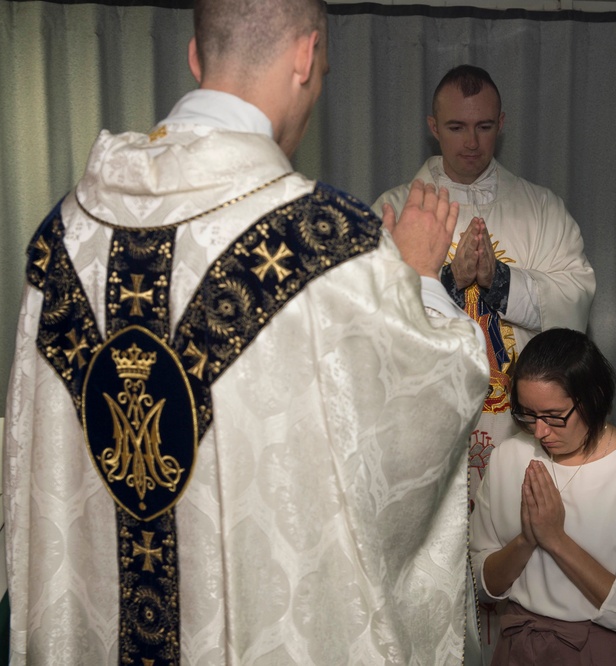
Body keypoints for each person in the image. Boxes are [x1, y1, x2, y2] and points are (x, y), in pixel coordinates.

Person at [1, 1, 489, 664]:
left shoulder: (62, 241)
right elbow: (406, 451)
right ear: (306, 58)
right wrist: (421, 282)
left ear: (196, 58)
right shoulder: (328, 243)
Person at [374, 64, 596, 662]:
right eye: (455, 127)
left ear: (503, 124)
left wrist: (501, 281)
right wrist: (446, 279)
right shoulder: (396, 209)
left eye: (484, 126)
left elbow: (576, 300)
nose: (471, 142)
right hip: (432, 432)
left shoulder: (541, 209)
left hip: (521, 427)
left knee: (519, 550)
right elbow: (369, 321)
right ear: (432, 129)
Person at [469, 328, 616, 665]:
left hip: (607, 652)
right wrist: (527, 540)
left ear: (594, 397)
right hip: (520, 647)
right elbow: (484, 585)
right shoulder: (509, 456)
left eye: (555, 416)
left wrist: (556, 539)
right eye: (527, 414)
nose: (540, 431)